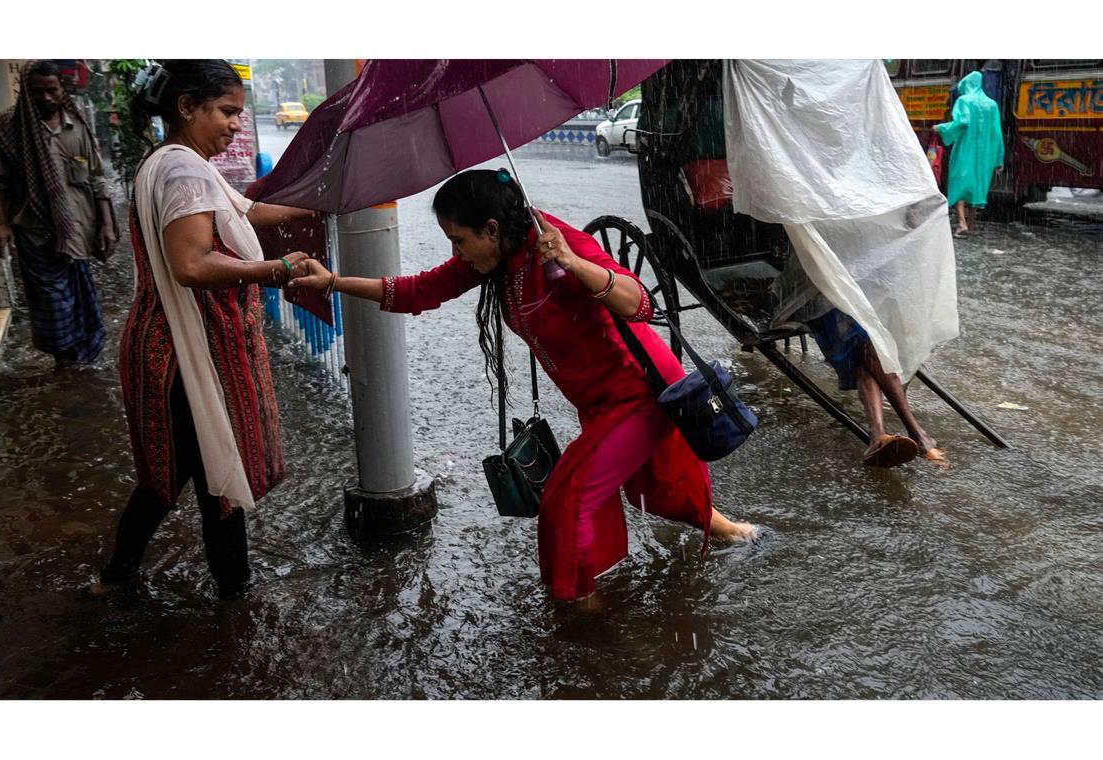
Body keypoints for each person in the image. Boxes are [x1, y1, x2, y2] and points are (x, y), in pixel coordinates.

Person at [291, 169, 757, 604]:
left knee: (565, 499)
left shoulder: (552, 243)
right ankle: (738, 535)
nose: (456, 253)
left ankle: (578, 614)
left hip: (639, 393)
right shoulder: (492, 260)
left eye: (459, 240)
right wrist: (332, 282)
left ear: (491, 229)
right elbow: (418, 291)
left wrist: (575, 263)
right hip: (596, 402)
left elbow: (638, 303)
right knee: (659, 492)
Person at [97, 60, 317, 597]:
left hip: (162, 345)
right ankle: (233, 596)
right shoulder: (185, 170)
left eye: (239, 114)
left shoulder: (171, 162)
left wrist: (320, 200)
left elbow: (244, 212)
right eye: (226, 112)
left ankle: (119, 576)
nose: (235, 125)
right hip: (184, 355)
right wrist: (278, 269)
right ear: (186, 107)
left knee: (173, 475)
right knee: (216, 474)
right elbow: (191, 266)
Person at [0, 59, 117, 367]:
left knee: (83, 300)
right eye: (38, 91)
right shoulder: (8, 130)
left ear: (62, 89)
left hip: (79, 232)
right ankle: (65, 363)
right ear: (27, 92)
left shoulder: (77, 124)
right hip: (36, 232)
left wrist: (107, 224)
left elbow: (97, 178)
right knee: (53, 304)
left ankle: (82, 359)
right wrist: (0, 224)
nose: (46, 98)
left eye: (52, 90)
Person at [774, 253, 947, 468]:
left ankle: (878, 436)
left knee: (864, 346)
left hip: (850, 285)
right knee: (867, 341)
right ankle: (917, 433)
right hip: (813, 292)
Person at [934, 70, 1004, 237]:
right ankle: (972, 224)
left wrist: (941, 128)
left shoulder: (964, 100)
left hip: (965, 149)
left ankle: (961, 223)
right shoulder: (992, 104)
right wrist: (999, 159)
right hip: (985, 154)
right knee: (976, 186)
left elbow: (962, 122)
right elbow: (997, 132)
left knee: (960, 183)